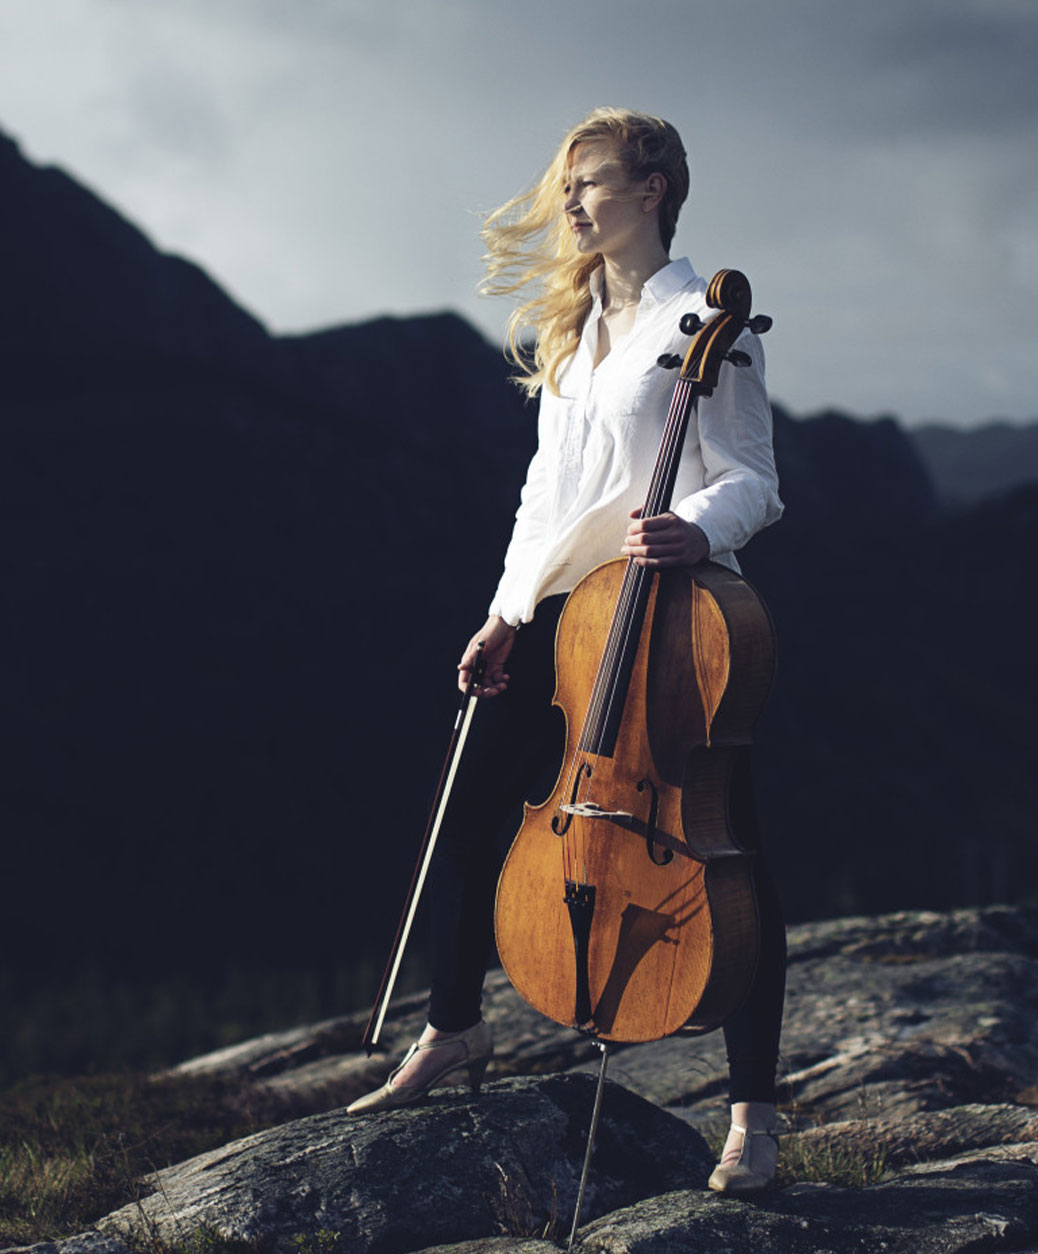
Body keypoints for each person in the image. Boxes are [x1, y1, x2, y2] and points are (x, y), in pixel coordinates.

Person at [345, 108, 789, 1196]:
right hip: (557, 618)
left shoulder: (705, 321)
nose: (573, 205)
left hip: (658, 611)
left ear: (655, 186)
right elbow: (544, 495)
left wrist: (701, 527)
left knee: (725, 850)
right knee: (468, 809)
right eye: (568, 188)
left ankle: (755, 1117)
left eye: (589, 183)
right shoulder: (572, 327)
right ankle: (454, 1028)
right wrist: (504, 610)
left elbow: (756, 482)